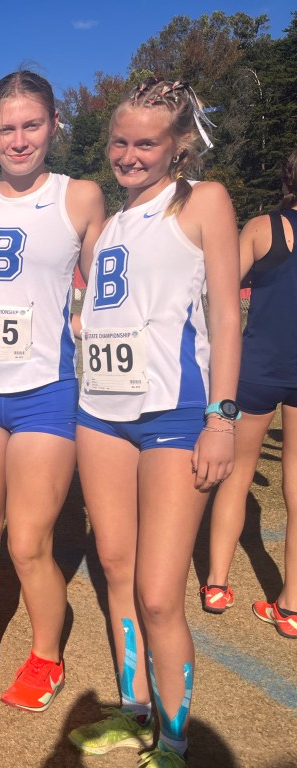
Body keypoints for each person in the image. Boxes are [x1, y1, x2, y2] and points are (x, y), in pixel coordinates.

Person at [69, 78, 241, 767]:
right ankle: (134, 710)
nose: (129, 154)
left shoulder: (204, 201)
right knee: (116, 569)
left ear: (178, 146)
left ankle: (173, 741)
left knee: (160, 594)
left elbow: (226, 316)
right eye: (120, 141)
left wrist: (222, 418)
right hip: (100, 414)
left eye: (146, 143)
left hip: (174, 413)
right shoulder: (113, 220)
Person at [0, 71, 106, 713]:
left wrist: (82, 323)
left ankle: (45, 656)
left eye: (31, 125)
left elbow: (108, 286)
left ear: (54, 125)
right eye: (6, 128)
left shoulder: (81, 195)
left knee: (28, 542)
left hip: (45, 390)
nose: (19, 140)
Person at [205, 147, 297, 639]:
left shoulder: (263, 227)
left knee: (237, 476)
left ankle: (217, 584)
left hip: (258, 368)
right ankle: (291, 605)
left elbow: (221, 286)